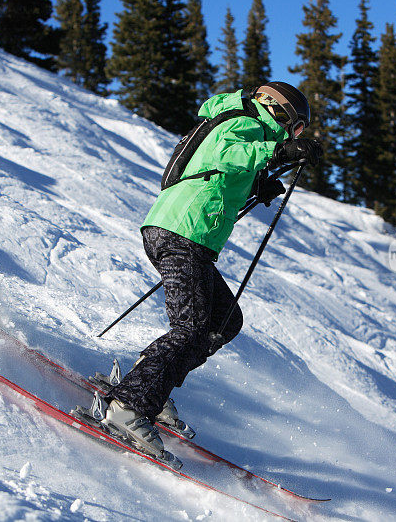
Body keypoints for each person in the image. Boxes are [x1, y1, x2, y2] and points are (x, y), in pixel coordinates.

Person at [102, 82, 322, 457]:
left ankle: (152, 380)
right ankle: (130, 405)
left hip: (191, 235)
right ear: (280, 111)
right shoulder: (245, 120)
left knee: (224, 321)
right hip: (182, 230)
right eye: (297, 127)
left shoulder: (250, 127)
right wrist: (277, 150)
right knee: (192, 326)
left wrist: (259, 183)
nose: (293, 135)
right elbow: (223, 149)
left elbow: (222, 168)